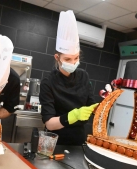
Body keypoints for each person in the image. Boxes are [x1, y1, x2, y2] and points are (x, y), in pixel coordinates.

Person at [39, 10, 98, 146]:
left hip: (78, 140)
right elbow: (49, 123)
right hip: (54, 142)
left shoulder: (83, 76)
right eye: (67, 59)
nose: (73, 63)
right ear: (57, 58)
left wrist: (102, 105)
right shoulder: (48, 82)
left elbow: (91, 105)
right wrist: (73, 116)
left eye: (76, 58)